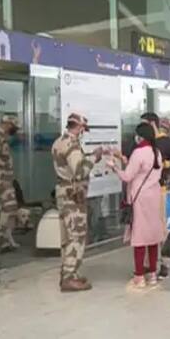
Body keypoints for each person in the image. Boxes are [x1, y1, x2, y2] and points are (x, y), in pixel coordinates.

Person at [108, 123, 164, 289]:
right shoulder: (157, 152)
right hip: (154, 196)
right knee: (153, 236)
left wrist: (114, 168)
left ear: (140, 136)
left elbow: (127, 176)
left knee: (139, 236)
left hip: (140, 198)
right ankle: (152, 274)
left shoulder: (139, 152)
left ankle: (139, 276)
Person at [51, 113, 103, 292]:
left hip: (63, 193)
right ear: (79, 127)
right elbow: (79, 171)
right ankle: (68, 277)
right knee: (77, 236)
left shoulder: (59, 142)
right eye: (83, 129)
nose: (83, 133)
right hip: (73, 197)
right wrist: (94, 158)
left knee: (67, 236)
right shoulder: (71, 145)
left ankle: (68, 273)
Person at [139, 112, 170, 278]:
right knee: (143, 227)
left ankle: (164, 263)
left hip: (160, 189)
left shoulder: (165, 141)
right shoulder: (142, 143)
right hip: (142, 191)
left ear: (153, 124)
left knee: (160, 227)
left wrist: (166, 164)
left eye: (145, 124)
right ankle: (146, 264)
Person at [0, 115, 21, 251]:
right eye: (13, 127)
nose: (14, 130)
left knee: (7, 210)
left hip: (5, 180)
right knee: (7, 209)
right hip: (1, 182)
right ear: (7, 124)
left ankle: (4, 239)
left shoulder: (2, 138)